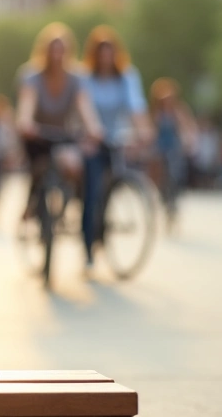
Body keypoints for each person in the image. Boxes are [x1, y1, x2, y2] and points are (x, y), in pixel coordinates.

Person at [16, 23, 103, 221]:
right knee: (38, 168)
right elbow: (27, 104)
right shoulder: (31, 76)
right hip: (37, 136)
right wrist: (25, 122)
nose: (57, 55)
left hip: (63, 135)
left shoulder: (76, 77)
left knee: (75, 165)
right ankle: (32, 202)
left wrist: (94, 128)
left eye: (61, 50)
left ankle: (74, 205)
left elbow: (84, 106)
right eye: (52, 50)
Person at [80, 26, 150, 270]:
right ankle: (88, 246)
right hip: (91, 139)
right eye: (101, 52)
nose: (106, 57)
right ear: (94, 55)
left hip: (116, 139)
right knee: (92, 188)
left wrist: (143, 131)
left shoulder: (127, 76)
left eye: (110, 51)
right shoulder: (85, 78)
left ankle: (103, 225)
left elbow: (136, 107)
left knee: (112, 183)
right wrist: (93, 131)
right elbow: (84, 107)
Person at [150, 78, 197, 208]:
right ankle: (160, 191)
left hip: (174, 145)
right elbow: (152, 129)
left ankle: (174, 196)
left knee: (175, 172)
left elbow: (188, 126)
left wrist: (189, 140)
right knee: (156, 166)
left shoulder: (179, 110)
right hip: (160, 144)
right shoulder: (156, 111)